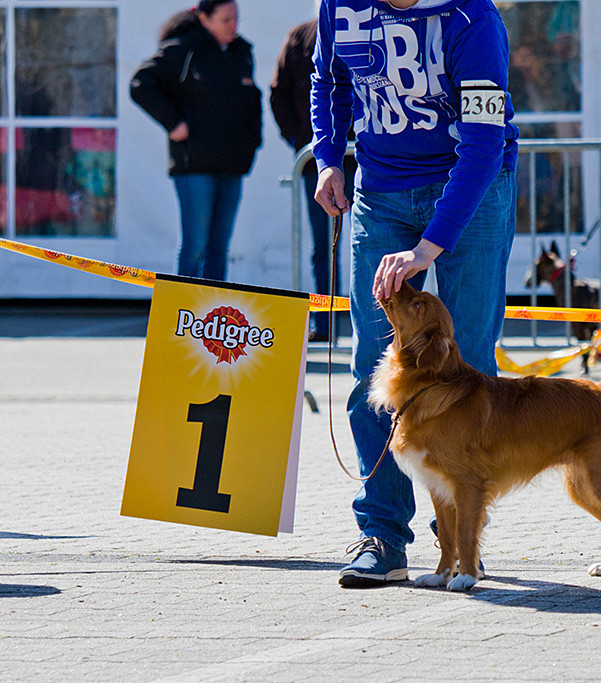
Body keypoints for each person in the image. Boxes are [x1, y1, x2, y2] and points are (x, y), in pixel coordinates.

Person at [311, 0, 518, 587]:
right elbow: (328, 80)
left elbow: (482, 142)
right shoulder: (339, 5)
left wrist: (429, 248)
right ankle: (381, 534)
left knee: (468, 366)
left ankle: (457, 536)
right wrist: (328, 157)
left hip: (472, 189)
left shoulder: (474, 21)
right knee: (373, 371)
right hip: (380, 192)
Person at [130, 0, 262, 281]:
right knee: (195, 246)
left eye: (236, 19)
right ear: (204, 19)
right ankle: (183, 312)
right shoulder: (183, 49)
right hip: (195, 165)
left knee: (219, 247)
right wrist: (174, 124)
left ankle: (212, 318)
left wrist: (252, 140)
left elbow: (252, 101)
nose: (233, 26)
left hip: (232, 164)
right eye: (225, 20)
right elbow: (141, 84)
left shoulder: (241, 51)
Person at [270, 18, 358, 341]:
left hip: (364, 157)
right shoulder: (300, 37)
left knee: (372, 245)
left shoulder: (368, 23)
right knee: (326, 247)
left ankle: (374, 330)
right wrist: (305, 143)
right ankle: (326, 324)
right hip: (320, 162)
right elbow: (279, 94)